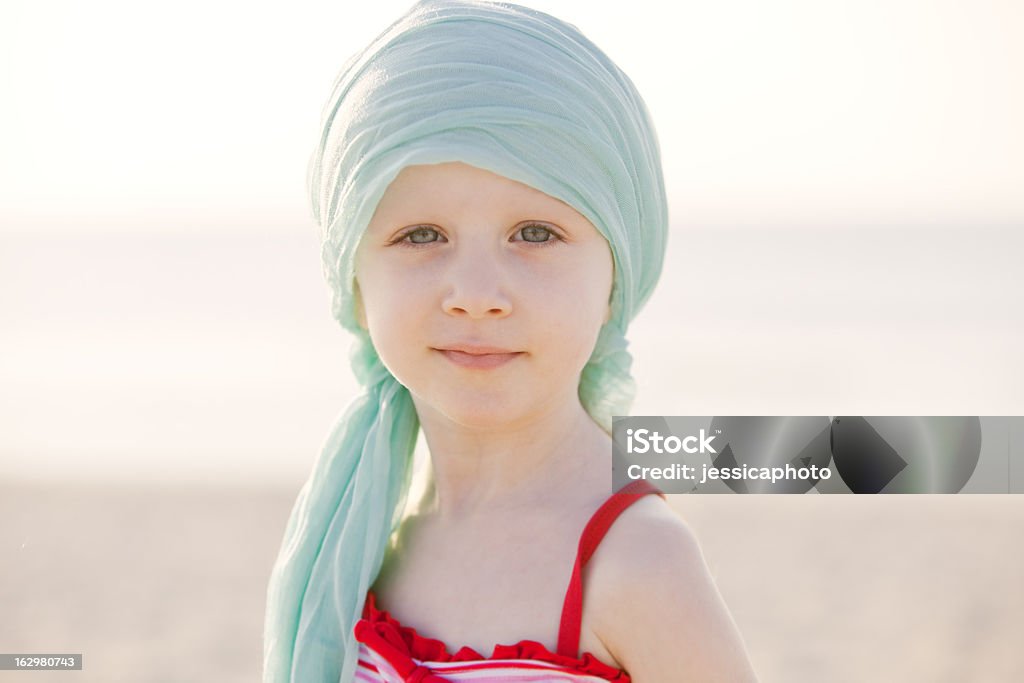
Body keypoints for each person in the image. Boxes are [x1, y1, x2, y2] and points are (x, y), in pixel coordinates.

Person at [264, 1, 759, 681]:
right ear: (352, 282)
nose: (475, 292)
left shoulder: (637, 561)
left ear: (617, 275)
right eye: (421, 235)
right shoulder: (366, 534)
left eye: (534, 233)